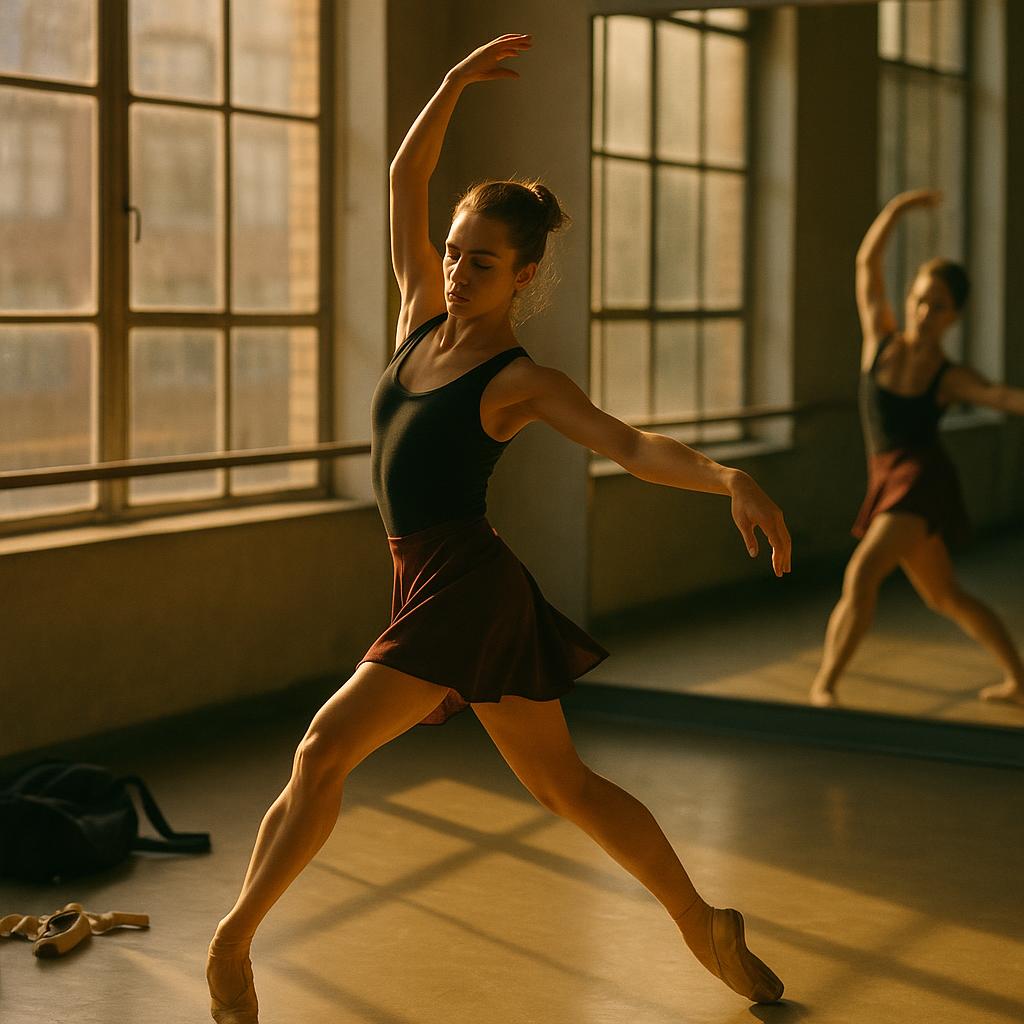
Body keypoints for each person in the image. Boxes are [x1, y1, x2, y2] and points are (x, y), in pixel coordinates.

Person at [206, 34, 791, 1022]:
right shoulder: (415, 319)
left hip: (463, 586)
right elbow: (404, 178)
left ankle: (230, 946)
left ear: (523, 275)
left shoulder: (518, 380)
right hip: (433, 579)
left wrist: (727, 473)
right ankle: (703, 921)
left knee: (319, 751)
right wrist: (446, 83)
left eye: (480, 260)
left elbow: (631, 445)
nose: (455, 267)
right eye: (451, 251)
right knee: (567, 784)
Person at [810, 188, 1024, 708]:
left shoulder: (949, 376)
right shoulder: (878, 341)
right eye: (920, 299)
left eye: (939, 306)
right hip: (886, 477)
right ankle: (1020, 681)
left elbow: (1000, 396)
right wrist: (897, 210)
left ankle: (824, 687)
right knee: (945, 595)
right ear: (909, 298)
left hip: (920, 481)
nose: (925, 312)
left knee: (861, 573)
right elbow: (867, 263)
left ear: (954, 316)